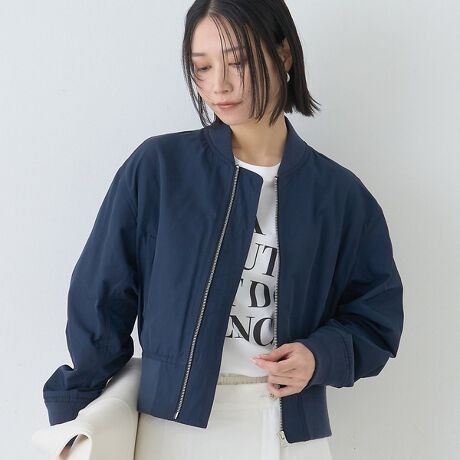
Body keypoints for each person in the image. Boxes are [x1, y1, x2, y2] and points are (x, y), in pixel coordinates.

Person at [45, 1, 404, 459]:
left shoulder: (339, 195)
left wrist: (319, 357)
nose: (219, 85)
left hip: (293, 434)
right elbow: (101, 302)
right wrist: (74, 422)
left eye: (238, 62)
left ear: (284, 55)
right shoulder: (160, 170)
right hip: (174, 430)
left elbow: (376, 316)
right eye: (202, 67)